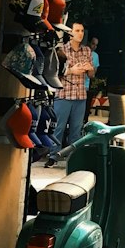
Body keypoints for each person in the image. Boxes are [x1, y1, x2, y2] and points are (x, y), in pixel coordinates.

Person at [47, 21, 94, 164]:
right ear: (70, 33)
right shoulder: (62, 50)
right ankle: (53, 155)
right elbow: (54, 72)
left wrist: (89, 68)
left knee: (76, 129)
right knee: (59, 127)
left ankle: (75, 158)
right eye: (77, 30)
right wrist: (71, 70)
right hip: (64, 94)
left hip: (80, 95)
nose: (80, 33)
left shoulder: (86, 51)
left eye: (82, 31)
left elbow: (92, 75)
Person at [84, 34, 101, 118]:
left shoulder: (95, 56)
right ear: (88, 43)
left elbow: (93, 73)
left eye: (96, 45)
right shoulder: (82, 52)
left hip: (87, 85)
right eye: (93, 44)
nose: (94, 46)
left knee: (86, 108)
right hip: (77, 84)